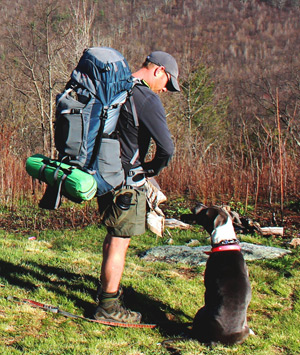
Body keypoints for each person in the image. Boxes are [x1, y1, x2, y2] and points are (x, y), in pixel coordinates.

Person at [94, 51, 180, 323]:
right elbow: (167, 148)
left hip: (104, 174)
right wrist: (153, 168)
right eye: (167, 82)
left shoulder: (117, 86)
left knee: (112, 238)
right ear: (158, 70)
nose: (165, 89)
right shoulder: (146, 98)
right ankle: (108, 309)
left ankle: (109, 294)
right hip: (127, 182)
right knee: (120, 243)